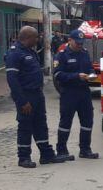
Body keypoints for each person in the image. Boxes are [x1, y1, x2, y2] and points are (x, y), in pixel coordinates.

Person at [6, 26, 69, 168]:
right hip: (26, 95)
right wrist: (22, 101)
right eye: (35, 37)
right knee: (25, 126)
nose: (38, 39)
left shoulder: (30, 51)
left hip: (37, 94)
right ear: (27, 37)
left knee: (41, 124)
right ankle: (24, 157)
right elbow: (12, 80)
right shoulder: (14, 53)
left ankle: (46, 155)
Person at [53, 29, 98, 160]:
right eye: (77, 43)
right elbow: (57, 75)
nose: (80, 45)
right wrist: (76, 76)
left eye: (81, 43)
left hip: (84, 92)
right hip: (69, 92)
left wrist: (91, 75)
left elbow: (90, 68)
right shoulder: (62, 55)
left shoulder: (84, 53)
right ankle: (61, 150)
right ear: (70, 41)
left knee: (87, 121)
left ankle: (85, 149)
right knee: (66, 122)